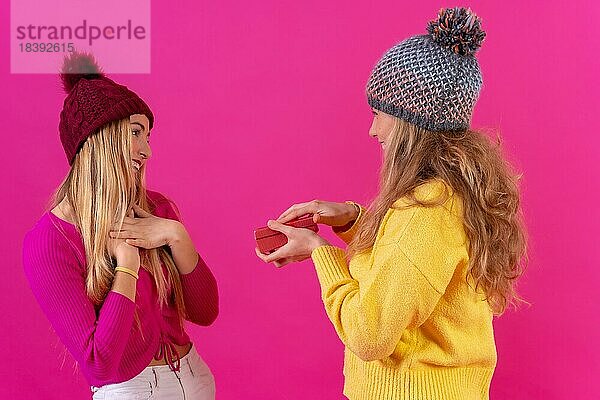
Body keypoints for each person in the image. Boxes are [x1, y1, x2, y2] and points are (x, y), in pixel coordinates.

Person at [256, 8, 527, 400]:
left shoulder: (425, 214)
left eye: (378, 114)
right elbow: (410, 264)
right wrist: (353, 219)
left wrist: (320, 253)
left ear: (409, 121)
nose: (372, 129)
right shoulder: (443, 198)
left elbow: (369, 334)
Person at [22, 52, 219, 399]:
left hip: (195, 379)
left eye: (148, 137)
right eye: (135, 133)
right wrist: (127, 266)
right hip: (133, 391)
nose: (147, 151)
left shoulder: (155, 208)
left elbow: (206, 311)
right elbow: (100, 363)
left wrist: (176, 235)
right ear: (99, 139)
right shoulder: (49, 241)